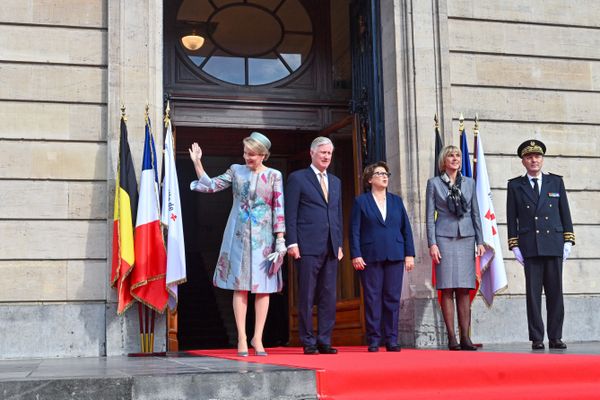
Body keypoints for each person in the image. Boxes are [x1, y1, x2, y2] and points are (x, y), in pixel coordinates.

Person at [189, 131, 286, 357]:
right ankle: (242, 337)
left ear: (263, 155)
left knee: (264, 289)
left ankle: (257, 338)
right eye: (245, 153)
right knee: (240, 286)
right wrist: (197, 163)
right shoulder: (236, 170)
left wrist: (280, 240)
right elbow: (211, 186)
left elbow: (278, 208)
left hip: (264, 239)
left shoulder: (274, 175)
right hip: (239, 236)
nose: (247, 158)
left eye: (252, 154)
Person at [506, 139, 575, 351]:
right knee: (533, 296)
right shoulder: (515, 185)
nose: (534, 160)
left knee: (556, 293)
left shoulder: (556, 182)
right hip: (531, 246)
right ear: (523, 161)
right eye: (529, 157)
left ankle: (555, 336)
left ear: (542, 159)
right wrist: (514, 244)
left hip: (553, 243)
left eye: (537, 156)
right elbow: (512, 217)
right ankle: (537, 337)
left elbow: (565, 212)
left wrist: (568, 239)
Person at [285, 136, 343, 355]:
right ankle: (308, 340)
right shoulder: (298, 179)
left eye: (329, 153)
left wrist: (338, 243)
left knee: (328, 295)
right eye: (323, 153)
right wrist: (292, 242)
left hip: (330, 246)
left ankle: (324, 340)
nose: (326, 156)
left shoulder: (336, 182)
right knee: (307, 295)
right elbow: (290, 213)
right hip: (306, 246)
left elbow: (337, 214)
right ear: (312, 153)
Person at [350, 162, 415, 352]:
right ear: (370, 179)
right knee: (372, 298)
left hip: (395, 254)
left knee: (392, 298)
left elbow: (406, 229)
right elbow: (354, 231)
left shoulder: (396, 201)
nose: (385, 176)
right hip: (370, 256)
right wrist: (356, 254)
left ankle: (392, 339)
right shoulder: (361, 202)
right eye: (379, 174)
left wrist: (409, 254)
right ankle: (374, 339)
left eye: (386, 173)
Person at [426, 145, 485, 351]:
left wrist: (480, 241)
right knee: (447, 288)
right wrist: (432, 243)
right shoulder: (433, 183)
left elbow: (476, 214)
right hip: (443, 238)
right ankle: (452, 337)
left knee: (464, 289)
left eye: (458, 155)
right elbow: (429, 217)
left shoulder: (469, 183)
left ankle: (466, 338)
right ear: (443, 160)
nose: (455, 158)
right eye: (451, 155)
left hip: (467, 238)